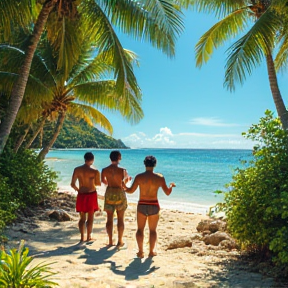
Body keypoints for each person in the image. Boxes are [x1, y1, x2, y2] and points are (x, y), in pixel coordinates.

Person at [124, 155, 175, 258]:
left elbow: (130, 191)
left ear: (144, 164)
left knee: (140, 230)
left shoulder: (139, 177)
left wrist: (124, 186)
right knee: (152, 230)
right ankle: (151, 252)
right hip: (154, 205)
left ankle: (140, 252)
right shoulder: (159, 177)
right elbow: (167, 193)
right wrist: (171, 186)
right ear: (155, 164)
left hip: (142, 204)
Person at [101, 150, 131, 248]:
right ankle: (120, 241)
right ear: (119, 158)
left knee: (109, 218)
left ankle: (110, 241)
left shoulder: (104, 170)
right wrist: (127, 180)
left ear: (110, 158)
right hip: (119, 192)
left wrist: (110, 182)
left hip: (109, 192)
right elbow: (124, 183)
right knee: (120, 218)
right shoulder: (123, 170)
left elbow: (103, 181)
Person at [71, 152, 101, 242]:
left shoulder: (77, 169)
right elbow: (98, 184)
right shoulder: (95, 171)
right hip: (91, 194)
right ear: (92, 160)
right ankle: (88, 237)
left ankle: (81, 238)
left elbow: (72, 184)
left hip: (81, 194)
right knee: (90, 217)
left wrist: (78, 190)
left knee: (82, 217)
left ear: (85, 159)